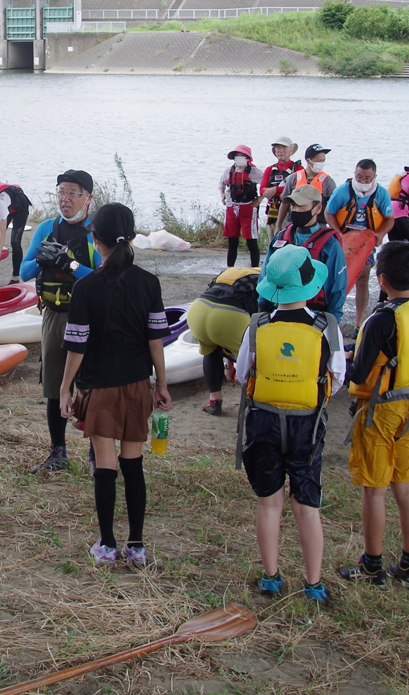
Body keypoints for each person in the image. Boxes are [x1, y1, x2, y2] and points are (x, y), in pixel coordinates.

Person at [58, 203, 171, 567]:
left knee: (105, 463)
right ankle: (136, 545)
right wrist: (162, 383)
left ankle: (107, 544)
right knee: (132, 462)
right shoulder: (148, 283)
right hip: (138, 384)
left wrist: (65, 389)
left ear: (95, 240)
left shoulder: (86, 287)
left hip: (99, 387)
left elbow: (77, 346)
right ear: (132, 236)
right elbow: (156, 340)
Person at [233, 246, 337, 601]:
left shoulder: (257, 325)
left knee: (269, 503)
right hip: (307, 426)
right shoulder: (327, 328)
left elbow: (240, 373)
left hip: (263, 422)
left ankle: (272, 578)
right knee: (306, 506)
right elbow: (337, 379)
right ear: (309, 284)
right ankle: (313, 584)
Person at [338, 240, 409, 589]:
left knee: (374, 491)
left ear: (380, 279)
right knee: (405, 488)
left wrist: (344, 358)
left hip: (379, 411)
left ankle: (372, 566)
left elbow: (358, 374)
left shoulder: (383, 319)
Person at [20, 170, 102, 473]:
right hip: (55, 315)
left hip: (90, 319)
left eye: (73, 193)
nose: (65, 199)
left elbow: (105, 277)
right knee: (55, 386)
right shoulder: (46, 228)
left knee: (91, 387)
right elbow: (25, 272)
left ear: (88, 198)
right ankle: (58, 451)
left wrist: (71, 265)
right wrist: (42, 259)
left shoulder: (96, 231)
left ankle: (97, 454)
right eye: (60, 192)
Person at [263, 184, 348, 361]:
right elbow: (266, 275)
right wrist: (263, 307)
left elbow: (337, 286)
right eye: (293, 206)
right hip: (280, 310)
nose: (295, 210)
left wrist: (332, 320)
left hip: (314, 315)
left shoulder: (329, 245)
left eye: (301, 206)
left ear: (317, 208)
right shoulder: (281, 238)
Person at [325, 159, 395, 332]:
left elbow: (389, 219)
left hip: (366, 242)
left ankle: (358, 323)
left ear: (374, 177)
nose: (363, 181)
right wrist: (338, 234)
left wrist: (381, 234)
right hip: (343, 240)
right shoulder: (342, 191)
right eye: (359, 177)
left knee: (363, 278)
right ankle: (331, 317)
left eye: (367, 178)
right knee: (340, 278)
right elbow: (329, 213)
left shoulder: (381, 194)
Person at [185, 266, 261, 417]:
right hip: (231, 317)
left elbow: (222, 335)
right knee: (256, 362)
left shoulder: (235, 271)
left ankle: (214, 402)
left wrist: (229, 365)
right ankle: (258, 406)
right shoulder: (266, 277)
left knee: (211, 350)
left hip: (198, 310)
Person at [219, 145, 262, 268]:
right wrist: (222, 195)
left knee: (251, 241)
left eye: (242, 156)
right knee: (232, 241)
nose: (239, 158)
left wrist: (260, 199)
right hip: (232, 207)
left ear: (248, 158)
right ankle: (229, 269)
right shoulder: (228, 171)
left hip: (248, 207)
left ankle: (255, 270)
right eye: (237, 156)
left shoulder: (255, 172)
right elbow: (221, 183)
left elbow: (266, 185)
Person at [259, 137, 301, 233]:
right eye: (278, 148)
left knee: (289, 238)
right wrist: (278, 190)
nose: (281, 151)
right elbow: (262, 190)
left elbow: (298, 188)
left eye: (284, 148)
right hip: (273, 211)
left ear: (291, 150)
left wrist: (275, 190)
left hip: (291, 211)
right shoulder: (269, 170)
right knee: (273, 240)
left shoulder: (298, 169)